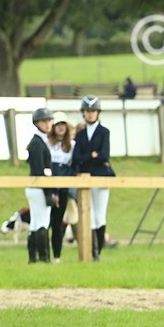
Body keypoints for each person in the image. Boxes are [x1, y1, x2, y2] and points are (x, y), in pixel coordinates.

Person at [74, 95, 115, 261]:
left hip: (101, 177)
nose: (90, 114)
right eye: (87, 111)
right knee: (88, 215)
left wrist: (87, 156)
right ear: (83, 113)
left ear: (98, 113)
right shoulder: (80, 134)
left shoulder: (104, 132)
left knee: (100, 215)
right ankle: (92, 251)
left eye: (93, 111)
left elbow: (104, 155)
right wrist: (92, 154)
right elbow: (76, 158)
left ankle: (98, 252)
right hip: (85, 178)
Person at [25, 107, 54, 263]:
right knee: (42, 222)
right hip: (39, 187)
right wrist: (49, 192)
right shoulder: (37, 143)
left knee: (35, 223)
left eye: (49, 121)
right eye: (44, 121)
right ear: (37, 123)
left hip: (36, 187)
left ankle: (33, 258)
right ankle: (44, 257)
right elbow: (40, 170)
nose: (48, 124)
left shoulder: (40, 141)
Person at [47, 112, 75, 263]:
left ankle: (56, 256)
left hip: (63, 189)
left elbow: (72, 167)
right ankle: (43, 254)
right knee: (46, 222)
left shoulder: (71, 146)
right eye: (58, 125)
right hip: (48, 187)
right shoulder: (47, 143)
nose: (61, 128)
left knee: (58, 223)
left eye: (63, 124)